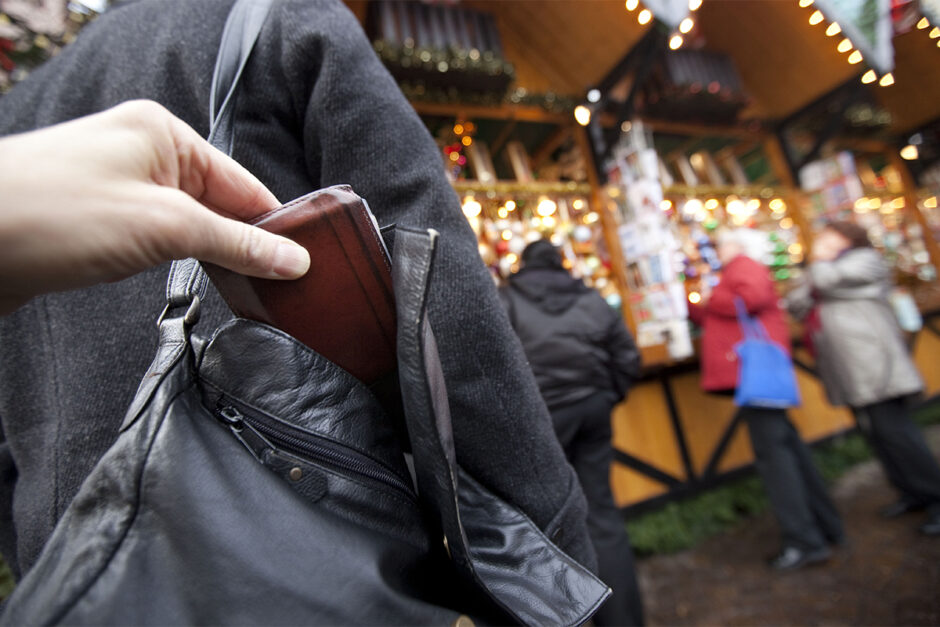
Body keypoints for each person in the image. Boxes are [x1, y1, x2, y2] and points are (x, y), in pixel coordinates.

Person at [0, 0, 597, 594]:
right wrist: (547, 548)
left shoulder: (16, 119)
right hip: (316, 552)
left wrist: (45, 567)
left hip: (88, 578)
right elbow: (443, 303)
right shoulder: (272, 15)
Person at [500, 240, 645, 626]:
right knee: (601, 513)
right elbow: (629, 357)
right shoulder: (592, 299)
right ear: (561, 263)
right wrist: (608, 395)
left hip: (544, 420)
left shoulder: (508, 299)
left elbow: (498, 367)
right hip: (593, 410)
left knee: (546, 524)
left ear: (523, 265)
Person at [689, 228, 844, 570]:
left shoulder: (743, 265)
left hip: (753, 374)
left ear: (738, 245)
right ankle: (826, 526)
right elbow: (723, 311)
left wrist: (709, 297)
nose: (720, 248)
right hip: (756, 374)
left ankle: (805, 541)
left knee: (776, 459)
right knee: (789, 450)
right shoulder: (737, 270)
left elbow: (750, 299)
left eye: (724, 243)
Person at [787, 221, 940, 536]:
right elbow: (796, 303)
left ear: (847, 239)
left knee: (897, 433)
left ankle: (936, 496)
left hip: (875, 364)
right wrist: (816, 272)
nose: (822, 241)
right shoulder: (824, 269)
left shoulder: (865, 260)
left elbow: (825, 283)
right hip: (848, 368)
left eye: (829, 236)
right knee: (876, 435)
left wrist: (817, 263)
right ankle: (911, 492)